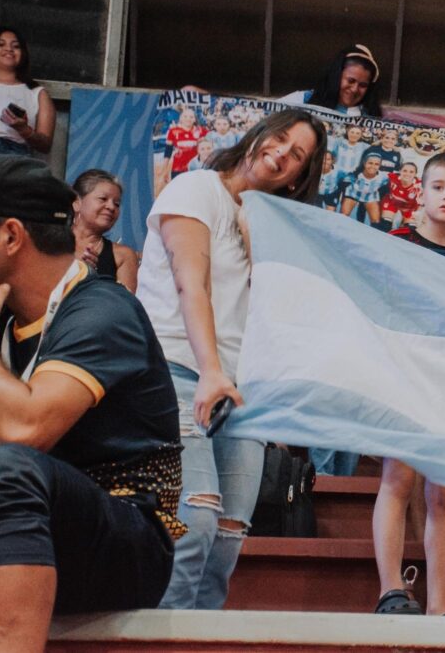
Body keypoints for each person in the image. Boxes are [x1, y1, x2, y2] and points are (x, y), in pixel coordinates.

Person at [0, 155, 182, 651]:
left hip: (127, 538)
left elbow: (23, 433)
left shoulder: (104, 310)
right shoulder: (4, 315)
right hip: (32, 524)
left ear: (11, 236)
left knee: (6, 469)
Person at [137, 109, 327, 609]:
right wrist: (210, 371)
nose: (282, 154)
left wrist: (258, 243)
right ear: (260, 134)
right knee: (194, 523)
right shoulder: (196, 188)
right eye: (281, 139)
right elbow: (190, 285)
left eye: (298, 155)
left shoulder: (270, 230)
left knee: (228, 537)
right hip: (177, 371)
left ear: (300, 176)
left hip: (243, 394)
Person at [373, 152, 445, 616]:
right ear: (421, 192)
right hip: (403, 375)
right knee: (397, 479)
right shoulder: (394, 241)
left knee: (444, 492)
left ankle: (439, 607)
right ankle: (390, 591)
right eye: (438, 187)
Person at [0, 27, 55, 163]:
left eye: (16, 46)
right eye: (0, 44)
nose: (9, 49)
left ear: (23, 53)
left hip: (15, 154)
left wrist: (24, 130)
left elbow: (45, 145)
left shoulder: (37, 93)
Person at [71, 169, 139, 292]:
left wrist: (92, 278)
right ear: (77, 203)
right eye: (103, 199)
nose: (111, 207)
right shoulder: (49, 243)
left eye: (117, 204)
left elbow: (123, 306)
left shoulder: (123, 256)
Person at [276, 44, 383, 117]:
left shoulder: (369, 116)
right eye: (350, 81)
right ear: (336, 76)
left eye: (363, 85)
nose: (355, 89)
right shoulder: (302, 99)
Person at [340, 153, 388, 226]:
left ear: (379, 165)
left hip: (370, 196)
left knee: (376, 221)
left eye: (376, 164)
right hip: (353, 194)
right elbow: (343, 182)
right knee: (343, 215)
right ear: (364, 163)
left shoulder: (383, 177)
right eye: (370, 163)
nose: (373, 166)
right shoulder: (355, 173)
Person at [378, 162, 421, 231]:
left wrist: (415, 217)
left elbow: (421, 205)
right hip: (392, 203)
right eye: (405, 171)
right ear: (400, 171)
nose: (407, 174)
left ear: (415, 174)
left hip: (409, 208)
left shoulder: (420, 186)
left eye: (411, 172)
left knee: (410, 230)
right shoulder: (392, 177)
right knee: (385, 225)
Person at [165, 107, 208, 178]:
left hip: (196, 168)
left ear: (194, 119)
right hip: (178, 169)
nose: (188, 119)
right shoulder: (173, 131)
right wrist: (164, 170)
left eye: (191, 117)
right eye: (185, 116)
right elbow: (167, 151)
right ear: (180, 118)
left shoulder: (201, 131)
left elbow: (215, 137)